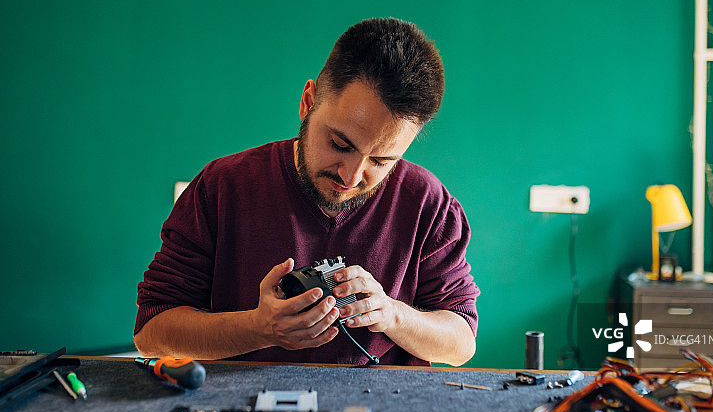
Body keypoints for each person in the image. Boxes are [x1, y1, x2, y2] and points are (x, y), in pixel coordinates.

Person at [134, 18, 479, 366]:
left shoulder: (427, 203)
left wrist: (391, 314)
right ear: (308, 102)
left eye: (381, 160)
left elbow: (461, 342)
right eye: (340, 144)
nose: (352, 175)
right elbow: (152, 331)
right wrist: (257, 328)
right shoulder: (222, 187)